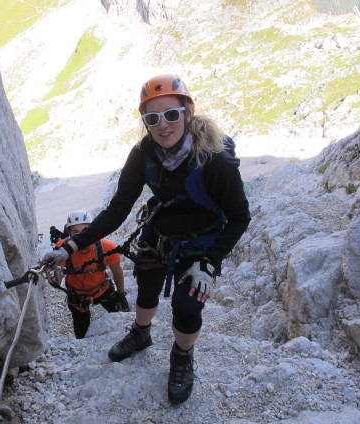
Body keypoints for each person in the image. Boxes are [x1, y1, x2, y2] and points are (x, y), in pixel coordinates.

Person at [42, 74, 250, 404]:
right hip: (160, 234)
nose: (162, 125)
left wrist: (209, 263)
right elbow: (116, 211)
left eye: (170, 114)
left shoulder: (214, 160)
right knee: (147, 285)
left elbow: (240, 216)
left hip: (202, 244)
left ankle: (181, 356)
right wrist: (70, 247)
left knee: (186, 306)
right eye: (152, 118)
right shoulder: (143, 154)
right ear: (145, 122)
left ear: (188, 111)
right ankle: (141, 333)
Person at [50, 210, 129, 339]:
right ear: (69, 234)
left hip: (102, 289)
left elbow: (117, 271)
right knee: (81, 331)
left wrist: (121, 294)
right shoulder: (62, 249)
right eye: (76, 232)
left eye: (85, 231)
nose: (82, 237)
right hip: (77, 295)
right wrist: (54, 277)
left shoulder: (106, 247)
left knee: (124, 318)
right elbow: (57, 276)